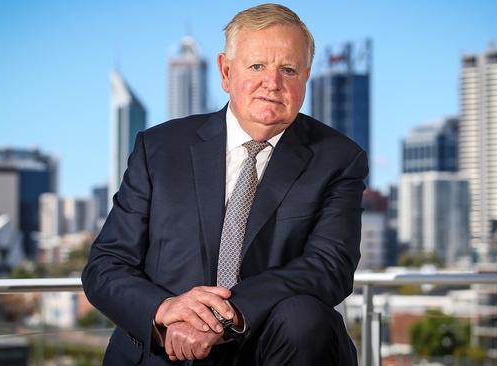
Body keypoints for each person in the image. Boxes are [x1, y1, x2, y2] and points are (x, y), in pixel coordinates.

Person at [82, 3, 368, 365]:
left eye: (289, 69)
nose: (273, 83)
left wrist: (226, 313)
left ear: (306, 77)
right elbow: (106, 265)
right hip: (166, 348)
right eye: (257, 66)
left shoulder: (338, 158)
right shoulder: (159, 148)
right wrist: (166, 309)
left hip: (272, 347)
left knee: (307, 319)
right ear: (226, 71)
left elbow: (329, 266)